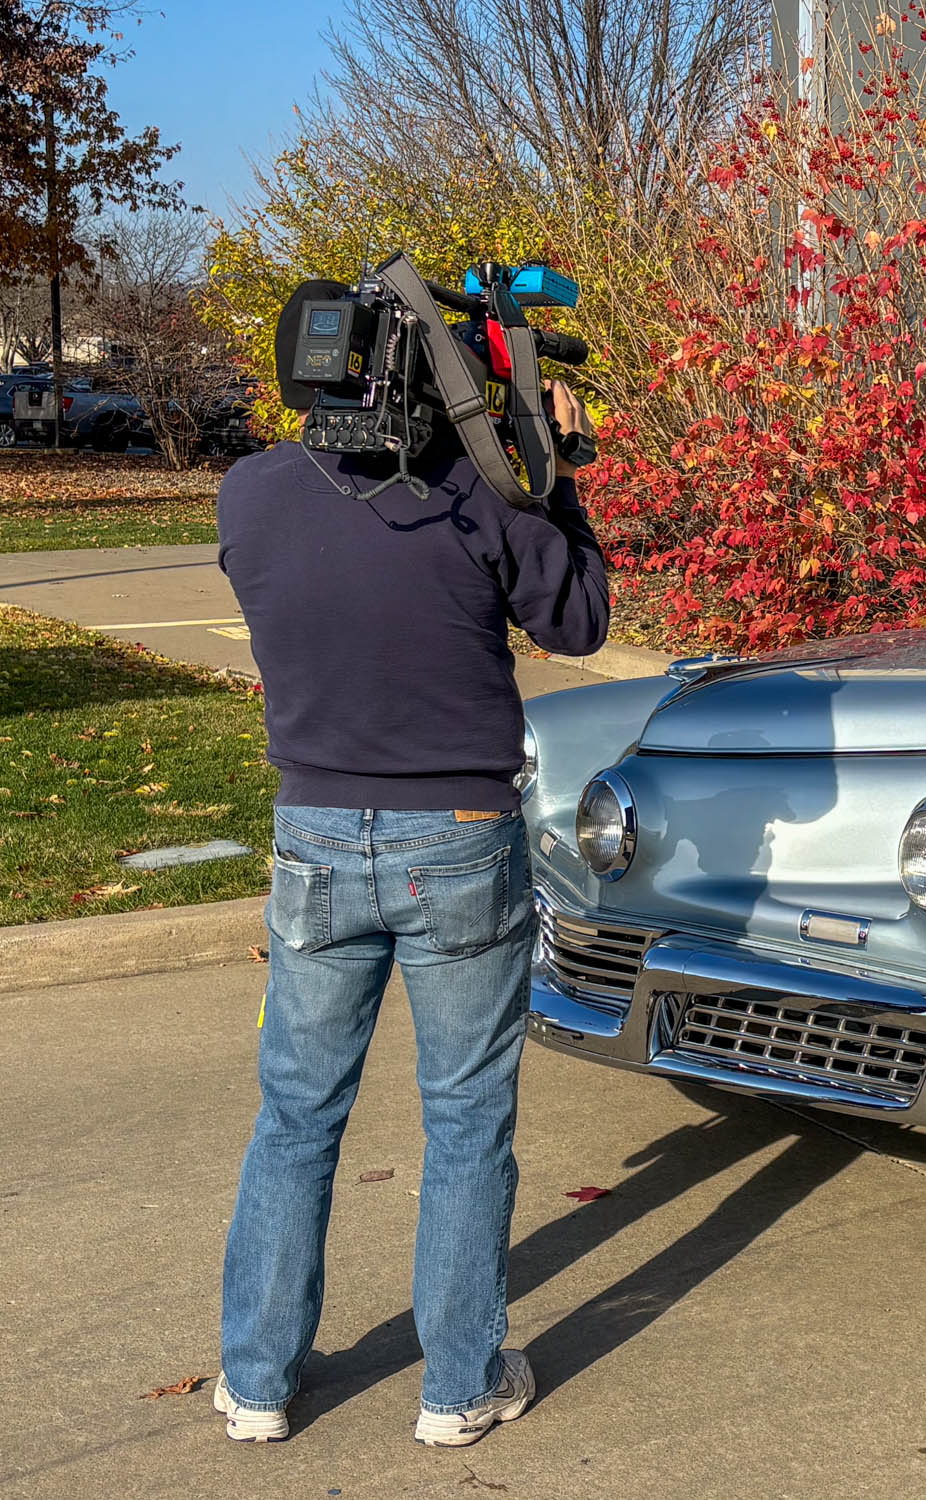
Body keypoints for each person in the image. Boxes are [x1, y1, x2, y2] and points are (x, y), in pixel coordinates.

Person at [211, 342, 608, 1447]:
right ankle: (458, 1386)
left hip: (317, 833)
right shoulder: (482, 489)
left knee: (297, 1112)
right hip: (461, 834)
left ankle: (256, 1383)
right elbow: (575, 621)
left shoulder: (249, 492)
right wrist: (548, 466)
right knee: (467, 1118)